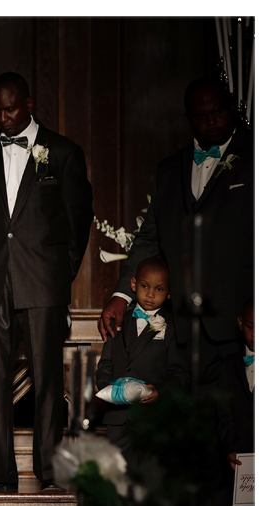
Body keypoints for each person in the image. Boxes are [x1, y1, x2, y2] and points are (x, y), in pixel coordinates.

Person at [0, 72, 94, 493]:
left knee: (47, 377)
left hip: (43, 280)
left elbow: (78, 220)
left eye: (11, 108)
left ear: (29, 103)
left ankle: (51, 470)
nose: (4, 117)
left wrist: (59, 273)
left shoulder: (65, 152)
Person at [98, 77, 254, 384]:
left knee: (235, 425)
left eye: (218, 111)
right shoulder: (169, 170)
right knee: (185, 423)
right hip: (181, 327)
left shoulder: (259, 157)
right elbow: (149, 238)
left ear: (232, 109)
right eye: (201, 115)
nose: (211, 120)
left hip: (238, 322)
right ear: (189, 119)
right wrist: (120, 296)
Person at [95, 257, 190, 470]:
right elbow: (105, 365)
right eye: (145, 286)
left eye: (159, 289)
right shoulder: (118, 321)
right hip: (118, 419)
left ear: (169, 293)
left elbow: (180, 373)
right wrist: (109, 388)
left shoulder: (173, 327)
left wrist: (161, 392)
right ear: (133, 284)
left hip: (154, 420)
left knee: (150, 479)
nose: (150, 294)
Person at [217, 297, 254, 473]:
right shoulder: (228, 364)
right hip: (241, 463)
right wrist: (229, 448)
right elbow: (224, 413)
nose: (256, 334)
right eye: (250, 326)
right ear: (240, 323)